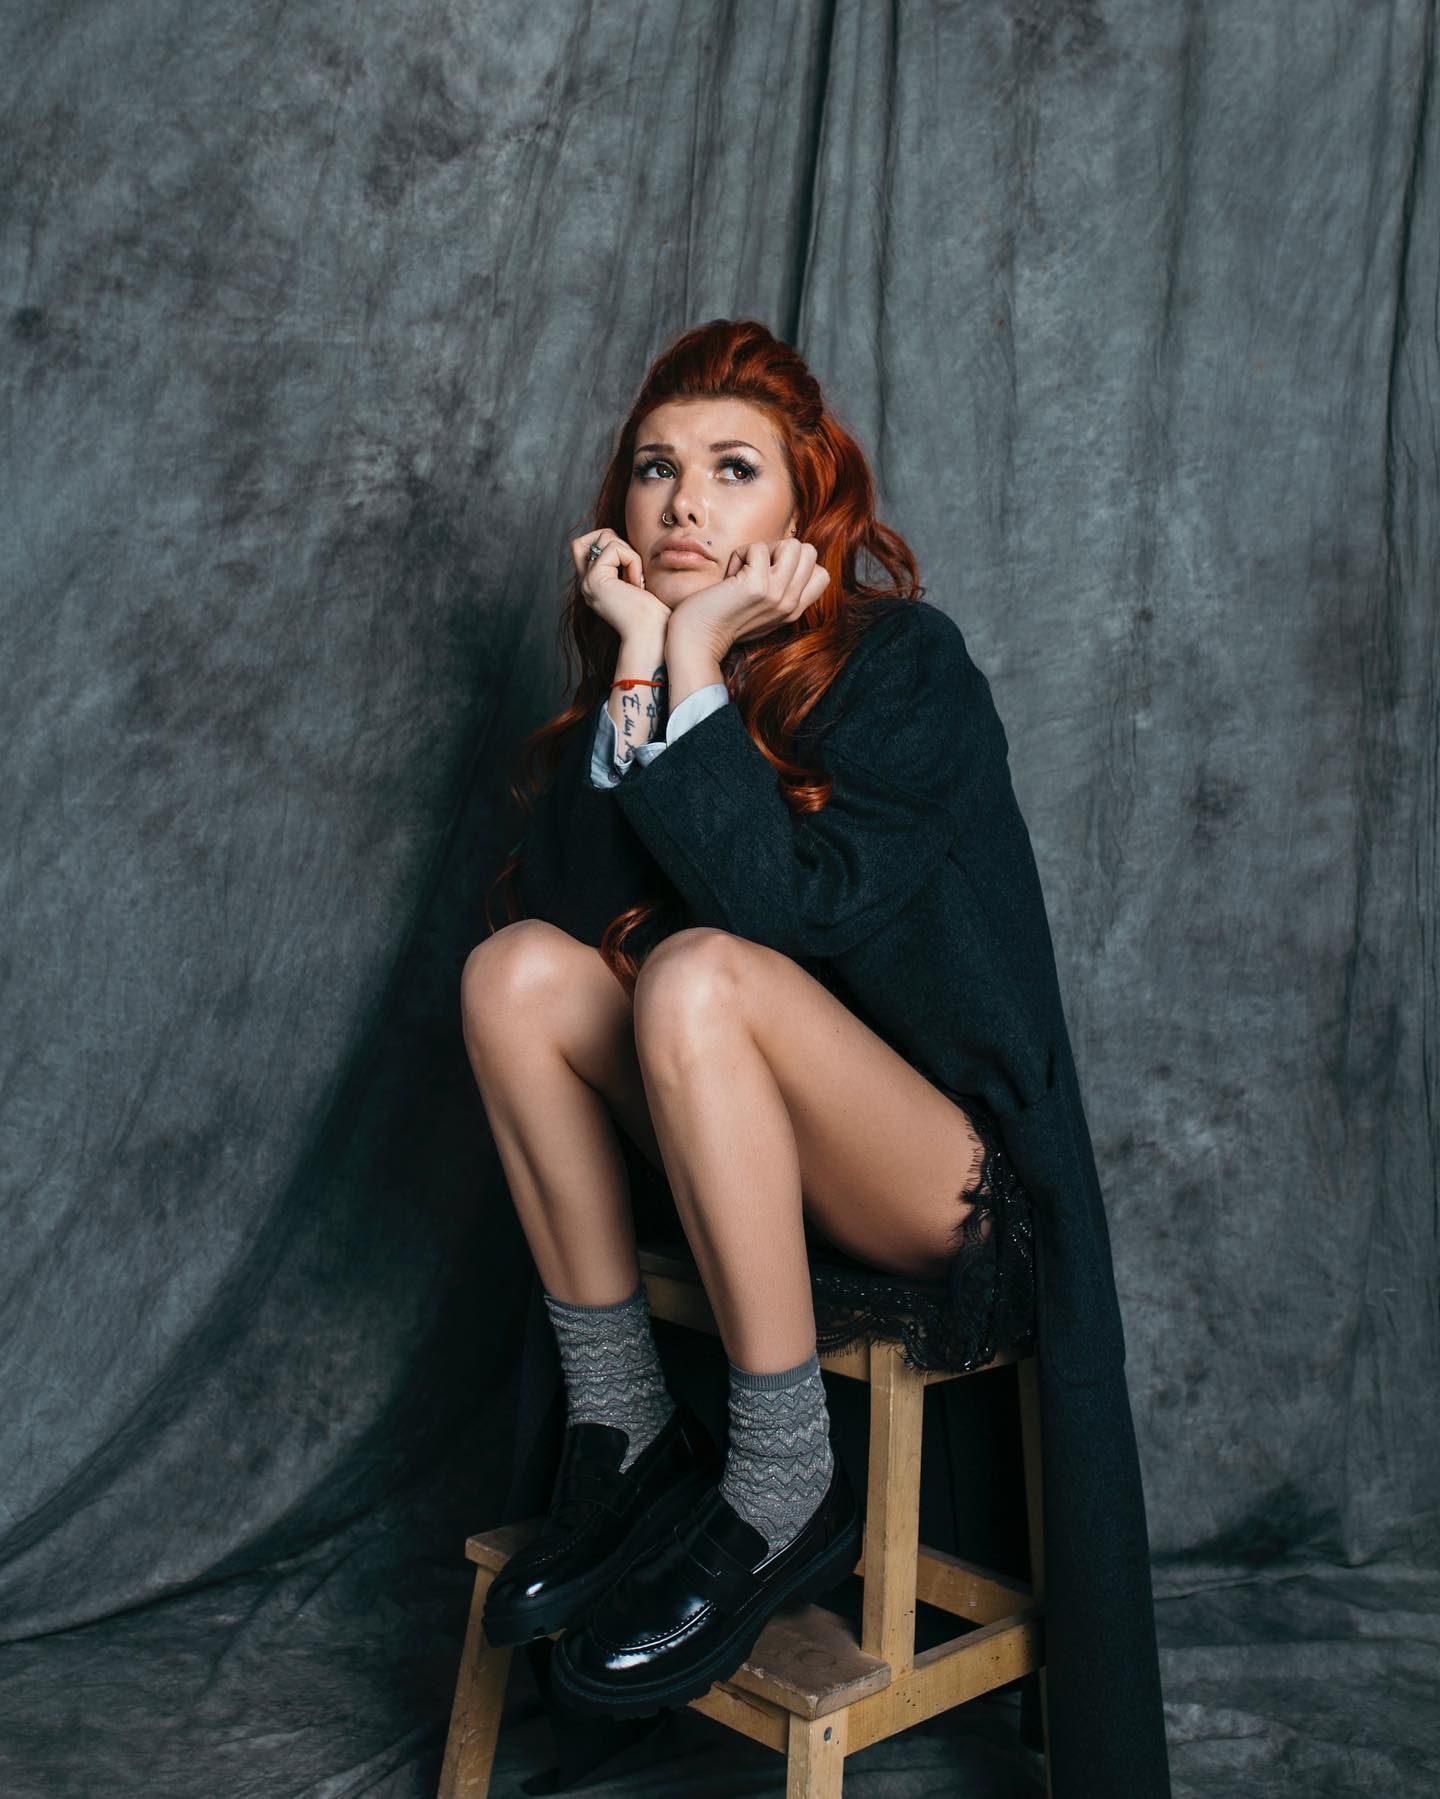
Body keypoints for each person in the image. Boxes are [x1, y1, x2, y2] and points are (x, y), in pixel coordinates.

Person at [459, 318, 1172, 1795]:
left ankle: (785, 1482)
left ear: (807, 509)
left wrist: (699, 657)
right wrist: (644, 657)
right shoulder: (639, 668)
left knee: (703, 972)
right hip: (733, 1127)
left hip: (940, 1179)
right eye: (655, 469)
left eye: (734, 470)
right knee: (512, 972)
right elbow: (579, 929)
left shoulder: (905, 662)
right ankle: (626, 1430)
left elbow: (777, 920)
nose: (682, 503)